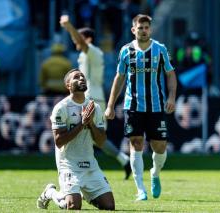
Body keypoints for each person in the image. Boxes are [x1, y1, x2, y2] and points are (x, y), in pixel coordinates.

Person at [105, 14, 177, 201]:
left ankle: (155, 173)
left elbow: (170, 74)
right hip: (133, 106)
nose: (144, 30)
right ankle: (140, 190)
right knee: (136, 143)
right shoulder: (125, 51)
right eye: (140, 27)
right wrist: (110, 105)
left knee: (159, 147)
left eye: (147, 27)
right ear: (133, 30)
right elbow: (119, 78)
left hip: (156, 106)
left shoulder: (160, 50)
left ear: (150, 30)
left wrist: (171, 97)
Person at [60, 15, 131, 180]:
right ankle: (123, 160)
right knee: (94, 138)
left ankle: (79, 169)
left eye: (78, 37)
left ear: (88, 38)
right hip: (92, 97)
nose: (75, 41)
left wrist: (69, 26)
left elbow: (82, 43)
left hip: (91, 98)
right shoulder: (87, 54)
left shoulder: (92, 50)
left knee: (88, 135)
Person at [37, 68, 115, 210]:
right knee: (73, 206)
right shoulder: (61, 108)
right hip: (69, 165)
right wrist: (82, 123)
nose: (81, 79)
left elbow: (101, 141)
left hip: (90, 165)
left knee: (109, 206)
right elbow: (59, 141)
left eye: (82, 76)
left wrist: (90, 123)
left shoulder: (95, 107)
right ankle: (51, 193)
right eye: (76, 77)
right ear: (68, 85)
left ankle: (84, 193)